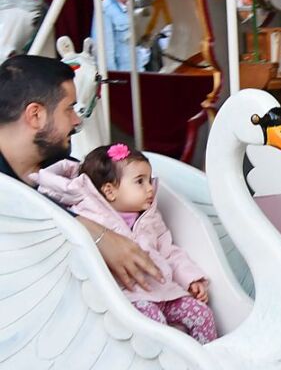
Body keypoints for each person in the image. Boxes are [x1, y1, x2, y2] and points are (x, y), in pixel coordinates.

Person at [0, 54, 162, 291]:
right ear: (36, 115)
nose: (76, 121)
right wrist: (97, 236)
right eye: (69, 109)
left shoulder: (69, 171)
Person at [35, 143, 217, 344]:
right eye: (140, 182)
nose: (150, 188)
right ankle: (171, 366)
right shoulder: (91, 218)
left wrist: (190, 278)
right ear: (110, 191)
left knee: (202, 313)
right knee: (154, 326)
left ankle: (207, 359)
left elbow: (169, 251)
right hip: (128, 301)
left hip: (165, 293)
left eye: (149, 180)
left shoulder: (150, 218)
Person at [96, 0, 149, 73]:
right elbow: (105, 52)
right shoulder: (105, 9)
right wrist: (114, 79)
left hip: (139, 72)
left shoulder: (131, 7)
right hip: (123, 76)